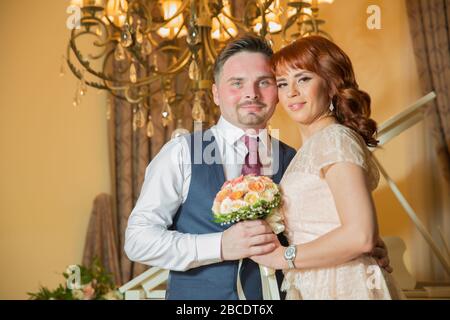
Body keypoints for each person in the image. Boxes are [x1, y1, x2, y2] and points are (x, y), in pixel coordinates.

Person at [124, 34, 391, 300]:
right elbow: (137, 241)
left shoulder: (298, 160)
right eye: (236, 83)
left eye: (264, 82)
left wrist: (365, 250)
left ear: (276, 93)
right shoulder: (181, 152)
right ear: (216, 93)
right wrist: (219, 246)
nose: (251, 93)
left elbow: (342, 230)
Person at [250, 35, 403, 299]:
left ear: (331, 84)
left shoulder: (334, 140)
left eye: (304, 78)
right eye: (283, 83)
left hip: (341, 283)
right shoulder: (313, 147)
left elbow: (360, 236)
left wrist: (283, 257)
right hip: (317, 281)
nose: (292, 92)